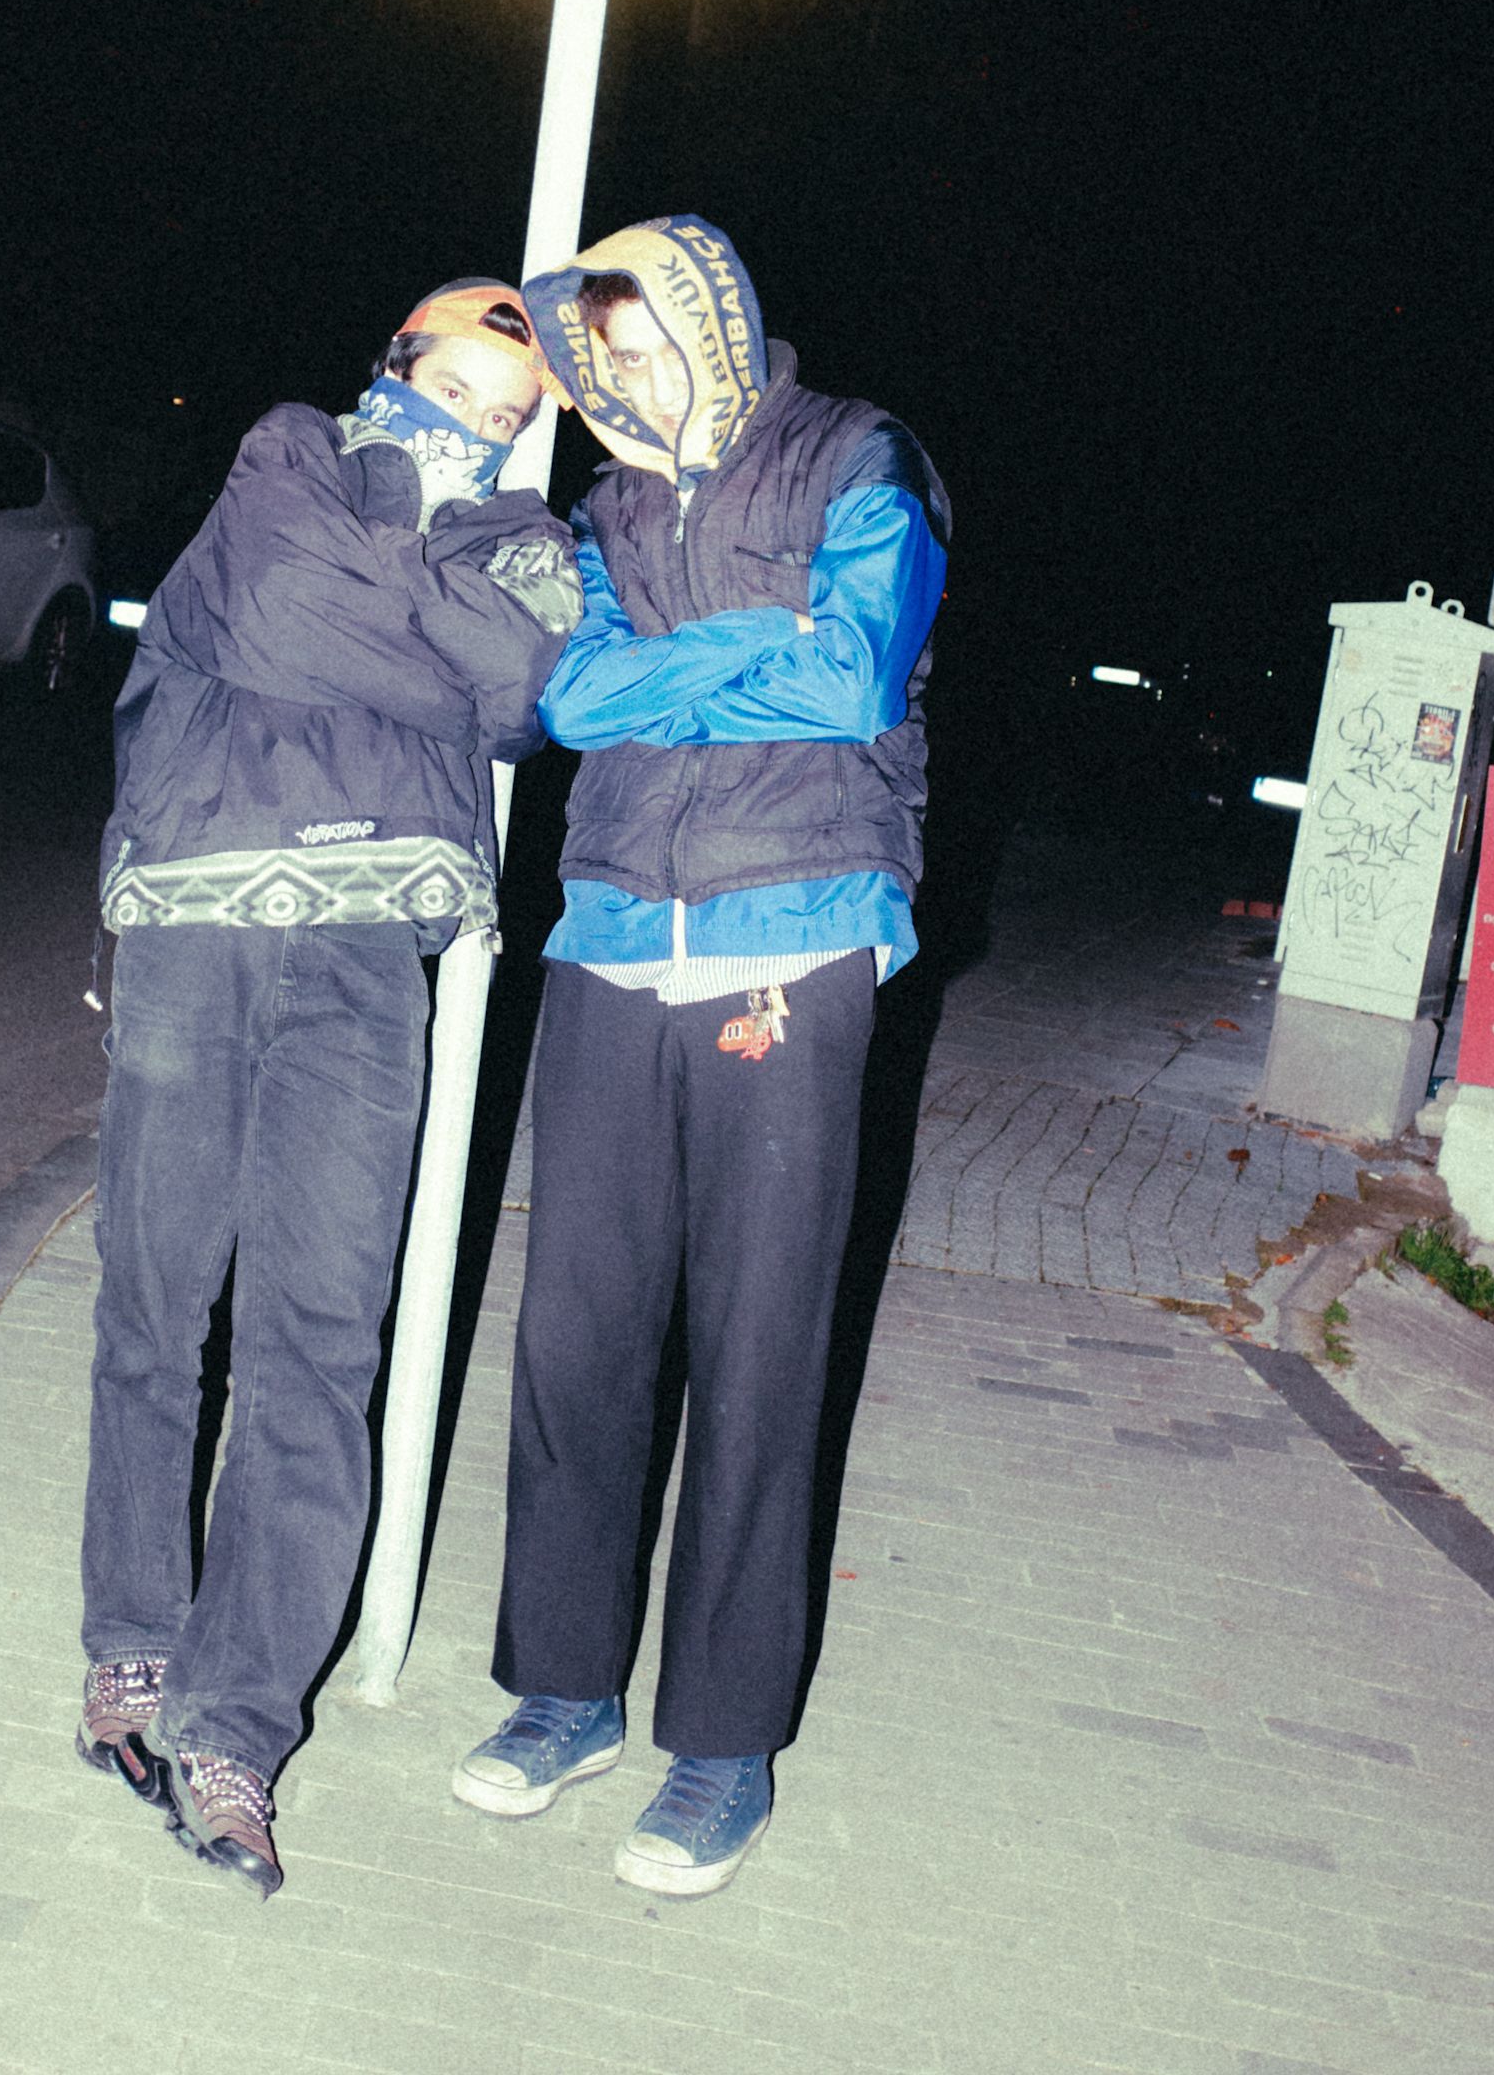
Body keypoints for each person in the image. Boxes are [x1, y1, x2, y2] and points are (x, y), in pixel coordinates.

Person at [458, 215, 947, 1897]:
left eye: (661, 341)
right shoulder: (604, 506)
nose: (638, 376)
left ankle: (723, 1746)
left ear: (720, 324)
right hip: (610, 936)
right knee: (574, 1341)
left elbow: (854, 672)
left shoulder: (857, 457)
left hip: (793, 933)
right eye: (611, 354)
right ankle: (563, 1691)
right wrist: (744, 653)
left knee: (759, 1351)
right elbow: (575, 700)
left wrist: (677, 672)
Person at [77, 283, 580, 1900]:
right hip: (197, 922)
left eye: (511, 413)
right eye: (461, 387)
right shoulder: (290, 451)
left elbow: (522, 696)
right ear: (395, 366)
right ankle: (129, 1642)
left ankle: (234, 1727)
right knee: (157, 1304)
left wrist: (416, 599)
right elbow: (282, 610)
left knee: (318, 1344)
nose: (481, 428)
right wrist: (434, 617)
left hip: (370, 967)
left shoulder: (529, 541)